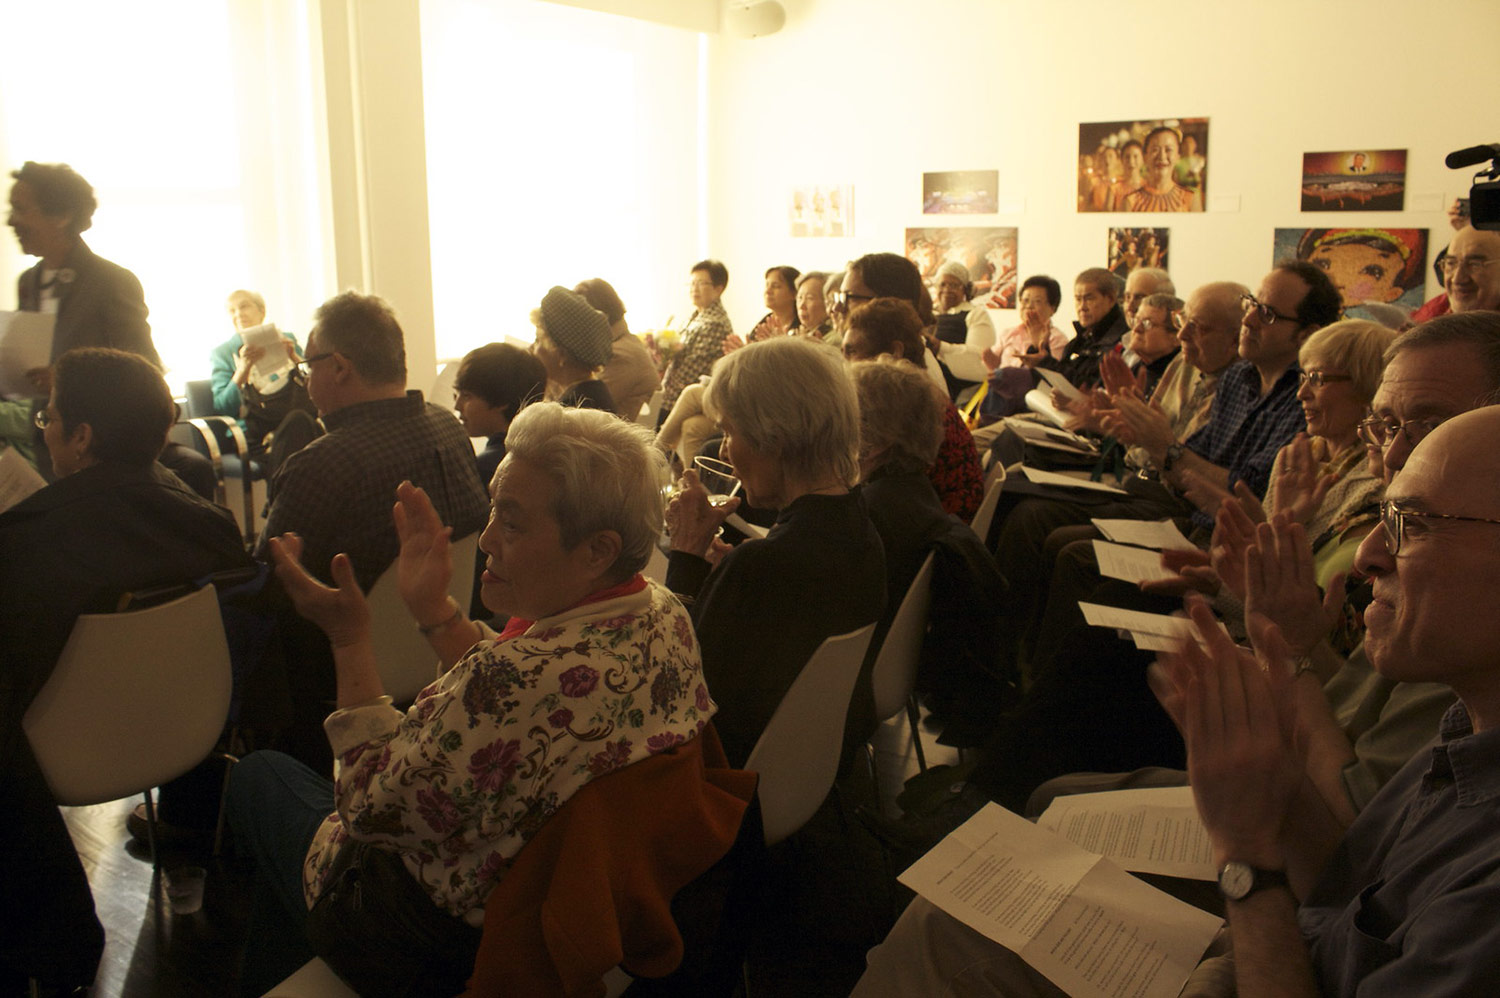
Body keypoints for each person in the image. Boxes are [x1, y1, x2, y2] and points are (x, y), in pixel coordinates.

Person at [228, 402, 714, 995]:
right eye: (492, 511)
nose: (484, 540)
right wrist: (435, 611)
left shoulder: (508, 678)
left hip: (430, 941)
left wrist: (349, 638)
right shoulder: (664, 615)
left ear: (597, 551)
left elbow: (364, 807)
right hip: (574, 908)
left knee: (258, 776)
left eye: (511, 524)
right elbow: (529, 706)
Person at [0, 348, 250, 993]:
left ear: (81, 437)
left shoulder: (27, 541)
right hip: (184, 732)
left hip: (62, 755)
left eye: (49, 417)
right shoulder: (213, 527)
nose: (44, 430)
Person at [255, 291, 489, 772]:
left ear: (339, 367)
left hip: (346, 672)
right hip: (442, 652)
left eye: (307, 367)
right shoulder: (448, 426)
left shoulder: (324, 463)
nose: (306, 380)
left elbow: (267, 583)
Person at [664, 337, 884, 767]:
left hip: (724, 786)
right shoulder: (859, 526)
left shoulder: (764, 565)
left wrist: (686, 555)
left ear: (775, 436)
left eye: (729, 430)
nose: (724, 449)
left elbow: (672, 685)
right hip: (810, 771)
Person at [8, 161, 159, 388]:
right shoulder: (28, 282)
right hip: (45, 422)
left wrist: (66, 382)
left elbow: (144, 371)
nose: (10, 221)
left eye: (20, 209)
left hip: (97, 422)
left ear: (62, 217)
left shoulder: (112, 281)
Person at [842, 296, 985, 522]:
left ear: (894, 352)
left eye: (851, 352)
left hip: (925, 533)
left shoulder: (903, 405)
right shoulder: (913, 391)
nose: (844, 362)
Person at [209, 289, 316, 455]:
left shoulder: (286, 339)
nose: (238, 314)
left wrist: (293, 356)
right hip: (254, 432)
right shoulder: (223, 353)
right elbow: (223, 407)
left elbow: (315, 384)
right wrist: (243, 370)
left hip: (295, 417)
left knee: (303, 426)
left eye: (244, 306)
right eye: (232, 310)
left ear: (262, 311)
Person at [451, 342, 547, 487]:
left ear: (501, 400)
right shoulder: (541, 450)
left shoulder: (488, 468)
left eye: (466, 396)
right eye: (456, 395)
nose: (457, 406)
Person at [575, 277, 659, 422]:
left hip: (608, 438)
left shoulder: (620, 355)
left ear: (599, 316)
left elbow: (583, 408)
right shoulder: (625, 343)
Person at [660, 260, 734, 412]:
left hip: (683, 398)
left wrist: (663, 397)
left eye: (701, 283)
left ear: (718, 288)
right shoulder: (695, 317)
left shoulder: (715, 323)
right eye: (692, 283)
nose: (694, 288)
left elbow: (690, 371)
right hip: (672, 394)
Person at [530, 285, 617, 414]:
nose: (532, 348)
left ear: (562, 354)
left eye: (538, 341)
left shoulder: (572, 408)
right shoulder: (593, 391)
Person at [927, 260, 998, 391]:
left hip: (960, 391)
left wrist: (941, 347)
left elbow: (980, 360)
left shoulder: (976, 314)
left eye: (954, 285)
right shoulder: (927, 314)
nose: (947, 290)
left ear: (966, 289)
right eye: (942, 284)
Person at [981, 274, 1069, 372]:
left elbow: (1052, 374)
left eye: (1037, 301)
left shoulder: (1058, 339)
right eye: (1025, 300)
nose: (1029, 306)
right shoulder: (1008, 333)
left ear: (1053, 308)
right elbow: (995, 364)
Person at [1122, 126, 1203, 213]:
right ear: (1145, 157)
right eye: (1155, 150)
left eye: (1168, 150)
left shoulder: (1190, 199)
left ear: (1178, 156)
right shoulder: (1131, 202)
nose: (1162, 156)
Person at [745, 265, 801, 342]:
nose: (768, 291)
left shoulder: (802, 326)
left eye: (775, 286)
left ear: (794, 293)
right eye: (767, 285)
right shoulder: (765, 323)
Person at [794, 270, 837, 344]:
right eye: (800, 298)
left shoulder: (835, 339)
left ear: (828, 302)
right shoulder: (801, 334)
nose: (801, 306)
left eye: (809, 298)